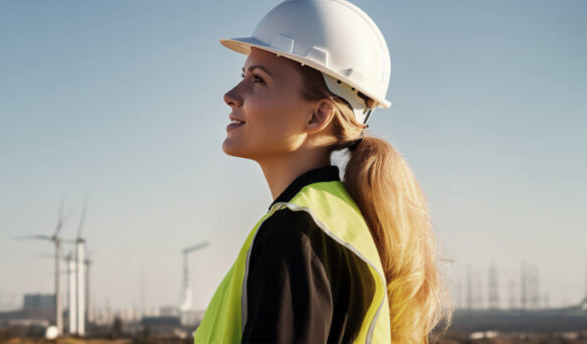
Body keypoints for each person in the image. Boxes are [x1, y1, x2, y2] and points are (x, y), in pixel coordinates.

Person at [193, 1, 452, 343]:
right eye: (242, 76)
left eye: (258, 80)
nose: (230, 95)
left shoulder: (297, 234)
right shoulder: (333, 222)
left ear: (317, 116)